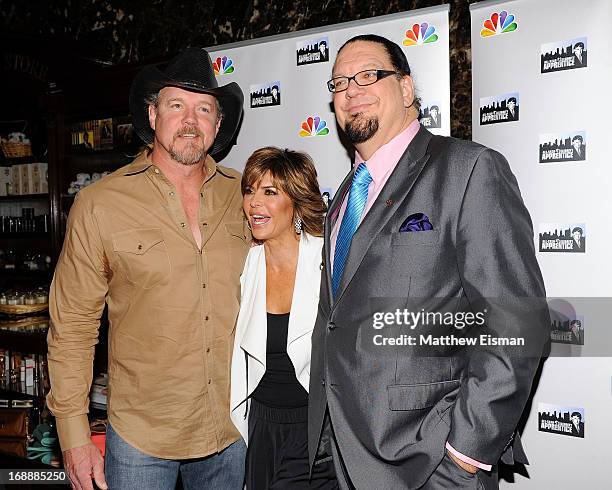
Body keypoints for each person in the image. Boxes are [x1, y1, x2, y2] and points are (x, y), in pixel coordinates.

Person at [309, 34, 549, 489]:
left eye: (367, 76)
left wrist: (464, 454)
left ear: (405, 89)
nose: (351, 91)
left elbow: (516, 318)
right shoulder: (345, 195)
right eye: (339, 83)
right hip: (347, 456)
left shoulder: (468, 169)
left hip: (431, 462)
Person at [47, 48, 250, 490]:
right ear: (153, 114)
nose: (190, 120)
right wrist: (74, 437)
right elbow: (73, 326)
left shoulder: (247, 196)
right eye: (177, 105)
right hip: (141, 438)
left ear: (218, 126)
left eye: (204, 109)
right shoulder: (100, 204)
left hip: (234, 430)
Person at [230, 147, 337, 489]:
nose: (254, 203)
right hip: (259, 426)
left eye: (270, 192)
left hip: (314, 428)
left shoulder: (328, 263)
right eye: (250, 190)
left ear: (296, 201)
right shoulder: (245, 265)